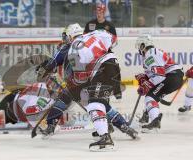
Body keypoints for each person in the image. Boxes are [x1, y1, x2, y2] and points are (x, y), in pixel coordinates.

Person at [37, 23, 138, 151]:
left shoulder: (70, 47)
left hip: (85, 78)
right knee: (101, 104)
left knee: (69, 101)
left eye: (66, 37)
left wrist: (45, 70)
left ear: (70, 36)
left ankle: (51, 126)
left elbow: (54, 64)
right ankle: (121, 125)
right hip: (105, 69)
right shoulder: (94, 34)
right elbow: (112, 40)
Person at [135, 35, 184, 131]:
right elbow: (155, 74)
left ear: (143, 46)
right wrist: (144, 78)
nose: (139, 49)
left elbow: (159, 76)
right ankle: (146, 115)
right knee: (153, 95)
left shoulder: (150, 54)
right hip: (174, 77)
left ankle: (155, 120)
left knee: (150, 96)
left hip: (171, 77)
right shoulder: (153, 52)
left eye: (139, 46)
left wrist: (146, 85)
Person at [84, 3, 122, 100]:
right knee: (89, 72)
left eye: (100, 11)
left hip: (106, 53)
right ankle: (87, 91)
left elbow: (115, 40)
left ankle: (117, 91)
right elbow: (84, 38)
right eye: (97, 11)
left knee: (115, 68)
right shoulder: (89, 24)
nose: (98, 13)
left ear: (104, 12)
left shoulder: (110, 26)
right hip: (93, 54)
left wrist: (106, 46)